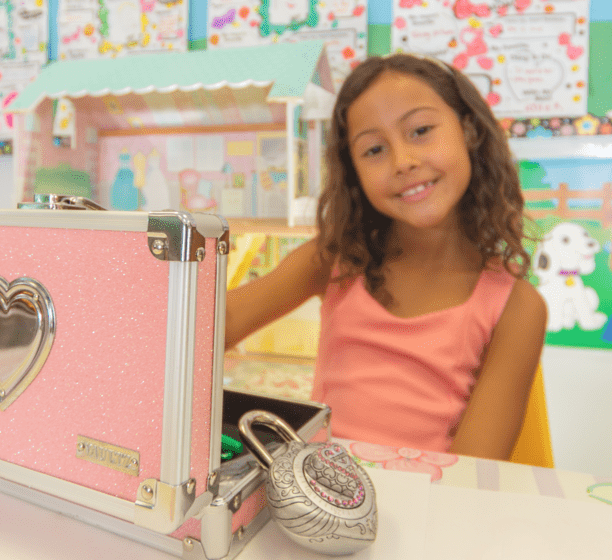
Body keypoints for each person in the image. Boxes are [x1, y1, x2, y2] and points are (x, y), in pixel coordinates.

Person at [225, 53, 547, 461]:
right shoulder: (335, 260)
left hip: (429, 515)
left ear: (468, 130)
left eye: (420, 130)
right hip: (317, 503)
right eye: (374, 149)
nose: (403, 161)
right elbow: (221, 323)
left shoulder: (517, 308)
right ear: (353, 170)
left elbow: (469, 478)